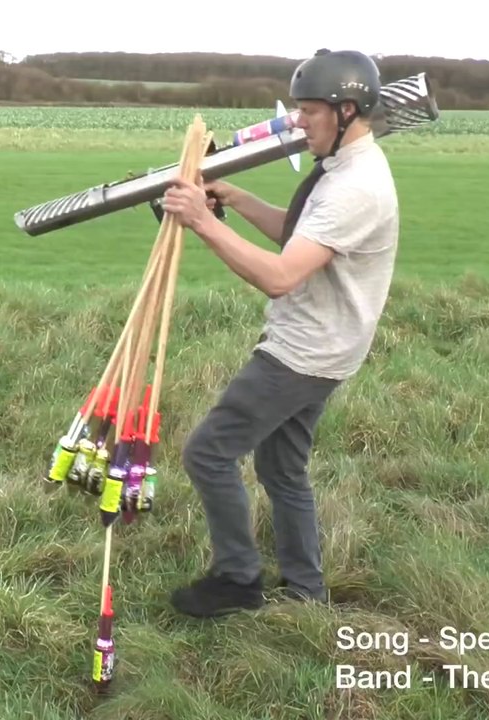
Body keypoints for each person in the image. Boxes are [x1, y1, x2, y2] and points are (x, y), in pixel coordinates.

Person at [158, 48, 399, 618]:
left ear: (346, 111)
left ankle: (237, 579)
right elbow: (299, 239)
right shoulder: (345, 169)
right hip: (328, 348)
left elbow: (281, 276)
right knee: (281, 468)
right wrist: (235, 199)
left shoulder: (354, 187)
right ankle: (305, 591)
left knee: (207, 454)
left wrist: (200, 221)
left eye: (310, 111)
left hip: (304, 353)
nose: (299, 122)